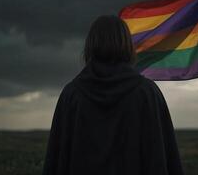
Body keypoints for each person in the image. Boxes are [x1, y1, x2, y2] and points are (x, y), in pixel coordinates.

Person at [42, 15, 184, 175]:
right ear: (127, 46)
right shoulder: (148, 93)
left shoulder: (71, 95)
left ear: (90, 45)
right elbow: (165, 160)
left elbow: (55, 163)